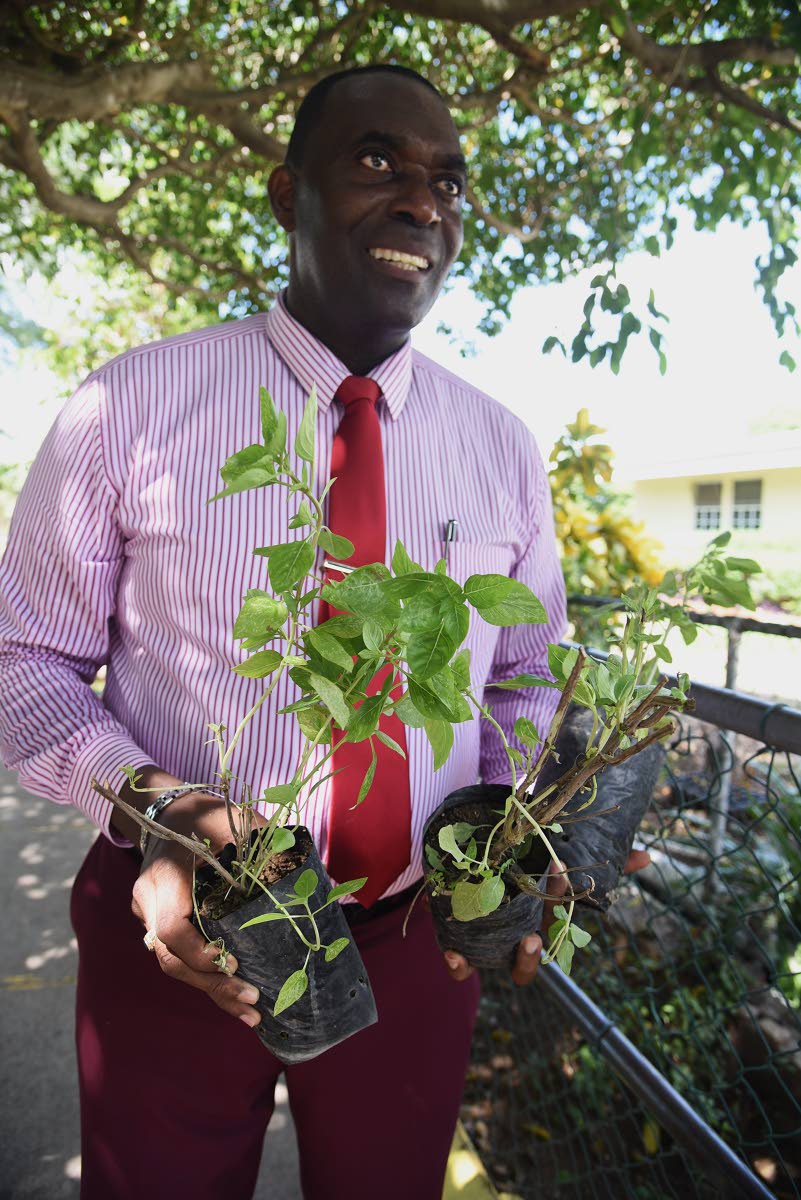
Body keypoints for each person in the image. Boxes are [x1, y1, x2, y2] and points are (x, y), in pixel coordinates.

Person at [1, 65, 574, 1200]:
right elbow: (24, 661)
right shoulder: (125, 408)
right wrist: (164, 812)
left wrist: (508, 832)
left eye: (447, 181)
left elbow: (526, 673)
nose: (424, 200)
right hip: (178, 923)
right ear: (284, 193)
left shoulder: (501, 446)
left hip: (416, 940)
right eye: (378, 161)